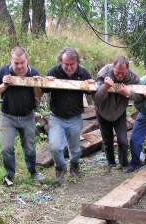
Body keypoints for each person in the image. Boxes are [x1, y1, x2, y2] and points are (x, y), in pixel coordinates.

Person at [0, 46, 44, 186]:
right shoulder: (2, 71)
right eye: (16, 63)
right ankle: (10, 175)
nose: (19, 66)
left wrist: (36, 84)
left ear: (26, 61)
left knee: (30, 147)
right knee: (6, 148)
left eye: (22, 62)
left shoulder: (34, 73)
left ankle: (33, 171)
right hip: (8, 116)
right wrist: (4, 85)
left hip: (27, 116)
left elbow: (39, 95)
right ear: (11, 61)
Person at [43, 47, 94, 184]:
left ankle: (74, 165)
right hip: (57, 117)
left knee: (75, 149)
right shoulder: (54, 71)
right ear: (61, 61)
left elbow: (93, 92)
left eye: (72, 64)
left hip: (75, 117)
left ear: (77, 62)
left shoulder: (83, 73)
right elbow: (43, 89)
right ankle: (60, 168)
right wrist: (46, 81)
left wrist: (91, 84)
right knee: (55, 147)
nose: (69, 67)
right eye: (66, 64)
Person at [92, 56, 142, 173]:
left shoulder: (133, 77)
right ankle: (111, 163)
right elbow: (96, 99)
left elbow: (140, 97)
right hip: (102, 111)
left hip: (119, 111)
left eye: (122, 73)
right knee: (107, 141)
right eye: (117, 73)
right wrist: (105, 87)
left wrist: (127, 94)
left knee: (123, 141)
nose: (120, 76)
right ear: (112, 68)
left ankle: (124, 163)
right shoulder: (103, 73)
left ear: (127, 70)